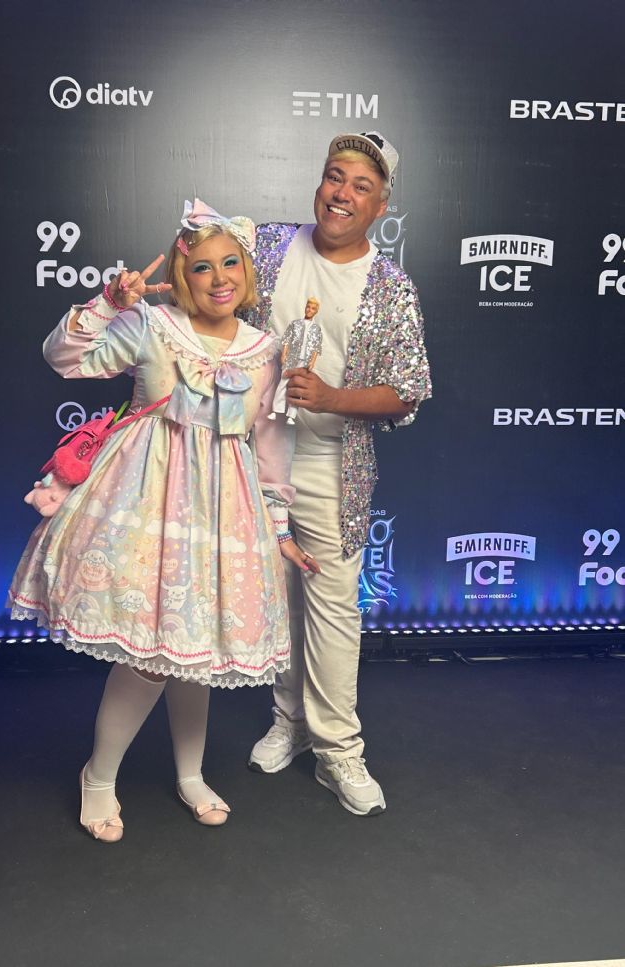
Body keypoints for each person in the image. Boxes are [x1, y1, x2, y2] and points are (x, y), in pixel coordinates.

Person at [8, 198, 319, 841]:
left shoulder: (265, 351)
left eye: (230, 263)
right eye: (202, 267)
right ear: (183, 275)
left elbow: (269, 448)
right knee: (150, 658)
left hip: (224, 519)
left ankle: (190, 775)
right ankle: (99, 777)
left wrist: (279, 526)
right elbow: (63, 358)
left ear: (247, 273)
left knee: (192, 651)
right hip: (144, 511)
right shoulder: (152, 325)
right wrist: (107, 305)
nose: (219, 278)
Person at [243, 132, 432, 816]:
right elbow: (202, 283)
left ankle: (339, 751)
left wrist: (330, 397)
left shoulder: (389, 287)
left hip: (330, 464)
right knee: (277, 598)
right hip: (249, 457)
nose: (342, 194)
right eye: (334, 176)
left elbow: (407, 392)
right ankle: (289, 721)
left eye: (361, 186)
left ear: (381, 206)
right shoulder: (266, 245)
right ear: (318, 184)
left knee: (330, 609)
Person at [268, 298, 322, 425]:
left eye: (313, 308)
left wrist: (312, 362)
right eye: (308, 307)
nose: (309, 310)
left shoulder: (316, 329)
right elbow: (286, 339)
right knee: (283, 383)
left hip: (305, 361)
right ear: (305, 307)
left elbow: (316, 347)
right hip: (291, 357)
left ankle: (291, 415)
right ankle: (275, 410)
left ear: (316, 312)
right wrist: (284, 354)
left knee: (298, 386)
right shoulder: (295, 324)